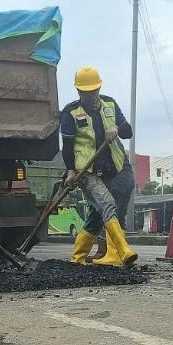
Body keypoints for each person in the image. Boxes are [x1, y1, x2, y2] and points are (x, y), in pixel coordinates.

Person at [60, 66, 137, 267]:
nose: (90, 95)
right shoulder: (70, 112)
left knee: (98, 212)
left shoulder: (110, 104)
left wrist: (117, 128)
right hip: (86, 171)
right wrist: (70, 170)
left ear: (99, 87)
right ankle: (123, 250)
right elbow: (67, 147)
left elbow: (128, 132)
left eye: (93, 91)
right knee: (107, 204)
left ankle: (77, 257)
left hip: (114, 166)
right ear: (78, 91)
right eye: (85, 92)